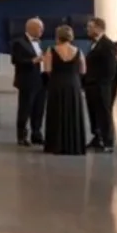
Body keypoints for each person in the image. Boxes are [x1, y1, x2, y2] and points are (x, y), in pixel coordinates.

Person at [42, 24, 87, 155]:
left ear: (58, 36)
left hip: (57, 83)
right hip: (73, 84)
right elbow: (83, 70)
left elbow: (47, 69)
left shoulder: (51, 50)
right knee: (73, 113)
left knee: (56, 113)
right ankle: (74, 145)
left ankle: (55, 145)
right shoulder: (78, 51)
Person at [11, 17, 47, 147]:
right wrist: (33, 61)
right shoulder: (19, 42)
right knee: (25, 109)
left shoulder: (39, 42)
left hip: (41, 80)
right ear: (30, 28)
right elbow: (16, 61)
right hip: (27, 81)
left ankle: (36, 134)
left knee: (39, 109)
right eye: (39, 28)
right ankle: (22, 136)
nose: (42, 30)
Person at [83, 17, 117, 152]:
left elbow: (110, 68)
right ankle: (97, 137)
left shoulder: (107, 44)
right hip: (91, 85)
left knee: (104, 113)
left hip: (101, 86)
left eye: (90, 27)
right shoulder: (93, 44)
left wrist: (101, 82)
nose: (88, 30)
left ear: (98, 28)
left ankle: (108, 141)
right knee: (93, 113)